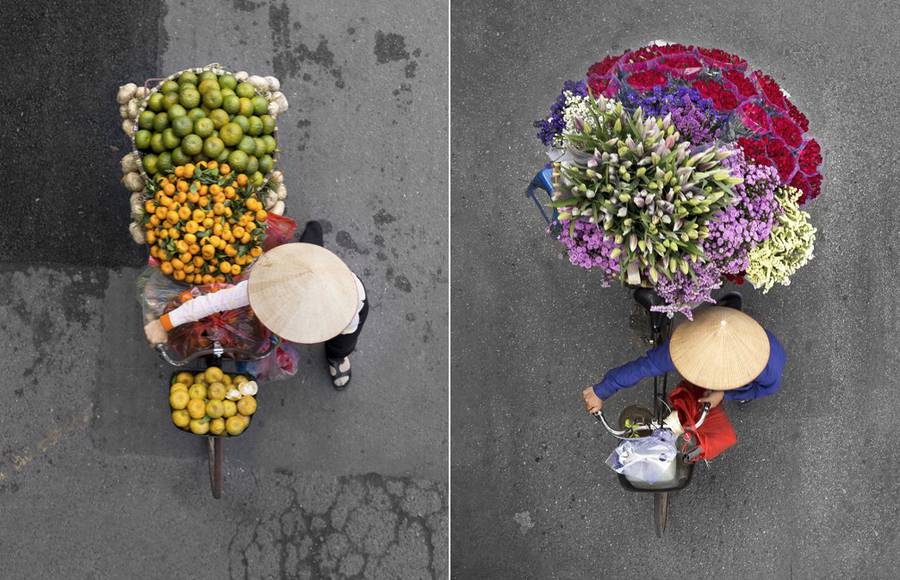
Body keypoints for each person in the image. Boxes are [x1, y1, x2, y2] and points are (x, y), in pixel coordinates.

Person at [144, 221, 368, 390]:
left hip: (342, 292)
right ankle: (313, 234)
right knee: (306, 257)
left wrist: (339, 347)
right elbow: (213, 301)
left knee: (343, 343)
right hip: (304, 265)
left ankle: (337, 357)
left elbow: (346, 327)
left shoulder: (347, 306)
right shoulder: (266, 284)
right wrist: (165, 322)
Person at [581, 299, 786, 414]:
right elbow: (643, 367)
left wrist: (726, 394)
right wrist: (601, 391)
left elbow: (761, 391)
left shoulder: (770, 366)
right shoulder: (682, 348)